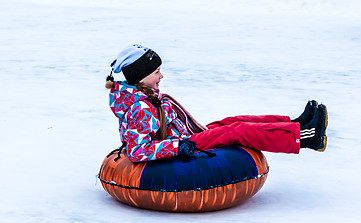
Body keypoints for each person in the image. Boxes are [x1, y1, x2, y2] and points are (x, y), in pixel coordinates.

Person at [105, 44, 328, 162]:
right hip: (184, 144)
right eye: (156, 72)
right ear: (140, 77)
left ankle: (296, 124)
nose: (161, 76)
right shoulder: (139, 108)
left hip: (184, 135)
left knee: (231, 122)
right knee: (237, 131)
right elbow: (137, 150)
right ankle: (306, 138)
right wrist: (177, 147)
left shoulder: (143, 95)